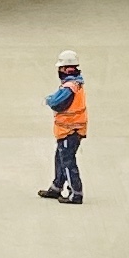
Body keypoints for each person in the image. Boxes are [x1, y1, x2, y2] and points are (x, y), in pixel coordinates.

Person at [40, 55, 88, 205]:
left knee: (68, 162)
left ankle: (75, 193)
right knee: (60, 159)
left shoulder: (69, 87)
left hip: (70, 130)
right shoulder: (76, 83)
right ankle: (56, 187)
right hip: (71, 130)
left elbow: (57, 102)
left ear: (67, 69)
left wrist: (49, 100)